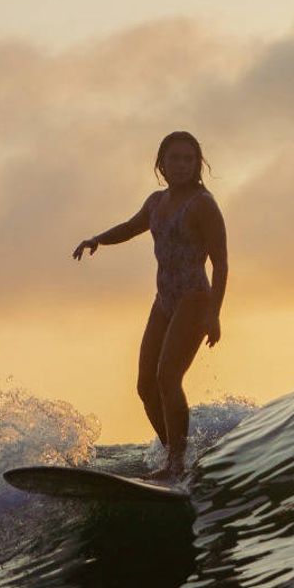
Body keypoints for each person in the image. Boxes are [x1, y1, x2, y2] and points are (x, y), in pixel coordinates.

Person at [72, 131, 228, 480]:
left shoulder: (203, 204)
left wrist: (213, 313)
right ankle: (175, 454)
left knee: (168, 377)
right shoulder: (156, 202)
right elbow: (130, 227)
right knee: (145, 386)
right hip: (164, 300)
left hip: (194, 298)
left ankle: (176, 462)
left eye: (189, 159)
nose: (182, 165)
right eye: (175, 158)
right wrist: (97, 239)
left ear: (197, 164)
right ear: (162, 163)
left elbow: (221, 262)